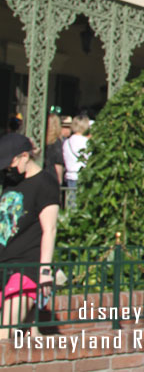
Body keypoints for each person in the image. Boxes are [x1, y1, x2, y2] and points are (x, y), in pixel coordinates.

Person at [0, 133, 59, 338]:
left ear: (25, 156)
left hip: (27, 266)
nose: (8, 168)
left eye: (11, 162)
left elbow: (49, 230)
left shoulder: (45, 183)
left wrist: (44, 272)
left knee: (3, 334)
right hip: (4, 263)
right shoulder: (11, 179)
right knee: (23, 335)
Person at [61, 114, 90, 209]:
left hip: (70, 176)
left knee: (71, 206)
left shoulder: (67, 142)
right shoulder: (86, 142)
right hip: (83, 176)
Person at [43, 113, 64, 186]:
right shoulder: (56, 142)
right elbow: (58, 162)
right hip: (52, 176)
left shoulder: (42, 141)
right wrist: (60, 180)